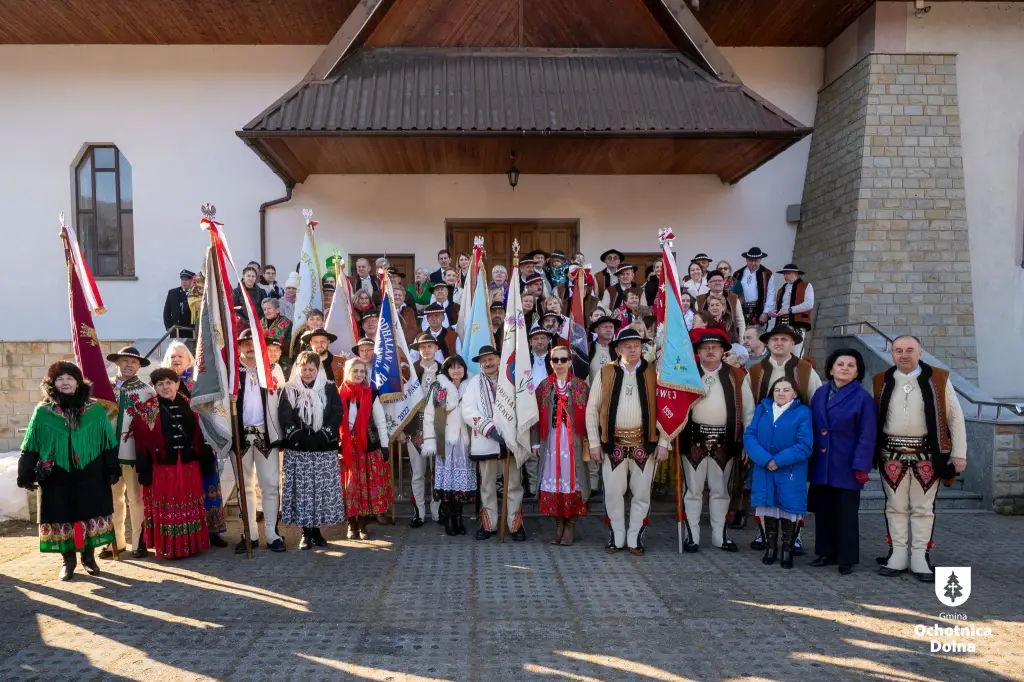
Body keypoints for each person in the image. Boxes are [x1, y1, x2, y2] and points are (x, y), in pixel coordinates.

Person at [874, 335, 967, 583]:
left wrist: (959, 453)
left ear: (920, 353)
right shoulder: (881, 379)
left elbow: (955, 417)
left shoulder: (939, 379)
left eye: (909, 350)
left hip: (928, 454)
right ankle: (898, 555)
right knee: (895, 506)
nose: (904, 355)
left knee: (923, 508)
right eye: (898, 350)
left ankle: (919, 558)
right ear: (892, 354)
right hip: (890, 454)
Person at [17, 362, 120, 580]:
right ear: (52, 383)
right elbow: (31, 443)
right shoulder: (43, 411)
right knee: (62, 515)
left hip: (90, 472)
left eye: (70, 378)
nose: (65, 383)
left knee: (88, 514)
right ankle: (68, 561)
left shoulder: (94, 409)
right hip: (56, 474)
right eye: (60, 379)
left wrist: (112, 467)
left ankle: (88, 558)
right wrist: (24, 471)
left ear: (78, 382)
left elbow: (108, 441)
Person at [586, 328, 671, 556]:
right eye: (627, 346)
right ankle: (617, 536)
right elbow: (592, 410)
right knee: (613, 493)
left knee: (641, 494)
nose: (632, 350)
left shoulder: (654, 373)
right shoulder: (605, 373)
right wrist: (594, 443)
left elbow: (666, 411)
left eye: (636, 345)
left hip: (645, 444)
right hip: (612, 444)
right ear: (617, 349)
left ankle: (635, 538)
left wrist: (664, 442)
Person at [744, 324, 821, 551]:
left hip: (793, 445)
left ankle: (794, 537)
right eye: (775, 339)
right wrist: (749, 445)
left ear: (792, 343)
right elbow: (748, 410)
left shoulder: (806, 371)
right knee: (763, 490)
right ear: (767, 343)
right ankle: (763, 535)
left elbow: (816, 405)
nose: (779, 343)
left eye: (784, 339)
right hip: (763, 446)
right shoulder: (755, 371)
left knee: (793, 492)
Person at [680, 328, 754, 553]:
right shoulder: (688, 374)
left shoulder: (737, 375)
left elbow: (749, 412)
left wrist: (748, 442)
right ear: (698, 352)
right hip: (693, 439)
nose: (710, 351)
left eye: (715, 347)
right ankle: (691, 536)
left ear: (723, 351)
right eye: (705, 348)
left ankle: (719, 536)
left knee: (721, 490)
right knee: (693, 491)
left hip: (726, 440)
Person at [130, 368, 215, 559]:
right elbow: (141, 442)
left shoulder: (191, 405)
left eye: (169, 382)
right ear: (155, 387)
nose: (165, 387)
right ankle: (169, 547)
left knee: (188, 504)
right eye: (160, 384)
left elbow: (201, 434)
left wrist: (205, 457)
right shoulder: (148, 410)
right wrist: (144, 469)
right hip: (163, 467)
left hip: (188, 465)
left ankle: (190, 545)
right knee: (167, 506)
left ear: (177, 384)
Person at [808, 349, 877, 575]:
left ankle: (846, 558)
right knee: (824, 511)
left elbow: (868, 434)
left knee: (846, 514)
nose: (844, 368)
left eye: (850, 365)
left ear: (857, 372)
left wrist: (861, 464)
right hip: (822, 462)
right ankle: (824, 552)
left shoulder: (863, 398)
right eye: (840, 364)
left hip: (847, 463)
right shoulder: (820, 393)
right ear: (831, 369)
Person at [161, 343, 228, 547]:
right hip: (176, 445)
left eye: (180, 356)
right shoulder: (162, 383)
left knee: (209, 485)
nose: (176, 360)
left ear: (189, 359)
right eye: (172, 356)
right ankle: (189, 532)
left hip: (202, 440)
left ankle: (213, 531)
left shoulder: (198, 382)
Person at [743, 378, 813, 569]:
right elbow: (750, 436)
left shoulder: (802, 413)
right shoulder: (763, 409)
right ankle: (771, 547)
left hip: (790, 470)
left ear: (795, 393)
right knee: (769, 507)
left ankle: (787, 549)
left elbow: (805, 445)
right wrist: (766, 460)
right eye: (777, 390)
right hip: (764, 468)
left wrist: (778, 461)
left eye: (786, 390)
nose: (781, 393)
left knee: (788, 508)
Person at [278, 351, 345, 549]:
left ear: (318, 369)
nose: (307, 373)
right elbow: (285, 416)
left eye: (311, 369)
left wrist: (321, 436)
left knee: (320, 491)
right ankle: (305, 533)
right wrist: (300, 438)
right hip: (299, 450)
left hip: (323, 448)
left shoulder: (329, 387)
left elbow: (336, 413)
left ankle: (317, 531)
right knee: (303, 492)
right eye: (304, 369)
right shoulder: (289, 389)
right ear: (297, 369)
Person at [228, 329, 284, 553]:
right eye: (246, 344)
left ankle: (272, 533)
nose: (250, 347)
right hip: (239, 436)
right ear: (239, 347)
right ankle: (249, 534)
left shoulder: (272, 369)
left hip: (266, 434)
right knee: (245, 487)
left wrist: (281, 434)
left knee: (270, 485)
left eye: (254, 343)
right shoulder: (231, 372)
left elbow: (282, 401)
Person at [463, 345, 526, 541]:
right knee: (487, 485)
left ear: (499, 360)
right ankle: (488, 524)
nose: (488, 363)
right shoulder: (473, 384)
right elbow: (467, 410)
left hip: (512, 440)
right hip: (486, 441)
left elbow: (523, 405)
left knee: (514, 484)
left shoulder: (511, 380)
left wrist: (512, 429)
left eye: (491, 359)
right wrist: (490, 429)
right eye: (484, 361)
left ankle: (515, 525)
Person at [532, 346, 590, 546]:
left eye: (563, 359)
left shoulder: (581, 386)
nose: (559, 364)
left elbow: (590, 417)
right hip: (551, 441)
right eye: (555, 360)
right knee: (554, 480)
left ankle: (571, 525)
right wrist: (535, 442)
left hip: (573, 442)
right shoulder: (544, 387)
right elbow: (536, 417)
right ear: (550, 363)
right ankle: (559, 524)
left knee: (572, 479)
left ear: (570, 361)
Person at [105, 346, 155, 559]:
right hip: (108, 453)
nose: (129, 365)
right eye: (125, 360)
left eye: (134, 362)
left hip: (133, 452)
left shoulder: (147, 391)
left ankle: (138, 541)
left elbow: (151, 424)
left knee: (136, 498)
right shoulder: (104, 387)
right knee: (113, 499)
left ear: (139, 367)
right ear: (117, 362)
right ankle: (115, 542)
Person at [338, 357, 393, 540]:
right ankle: (351, 524)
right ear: (348, 372)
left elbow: (380, 421)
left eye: (362, 371)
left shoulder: (371, 393)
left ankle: (362, 524)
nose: (359, 374)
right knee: (350, 487)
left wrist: (384, 445)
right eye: (355, 371)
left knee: (365, 488)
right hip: (346, 448)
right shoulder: (338, 393)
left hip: (367, 446)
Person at [423, 355, 477, 537]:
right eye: (452, 367)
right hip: (445, 440)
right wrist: (430, 440)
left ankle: (459, 517)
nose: (456, 370)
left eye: (459, 366)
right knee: (448, 482)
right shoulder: (438, 386)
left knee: (461, 483)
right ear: (446, 370)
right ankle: (449, 518)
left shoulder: (472, 385)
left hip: (465, 441)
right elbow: (429, 414)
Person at [404, 333, 444, 527]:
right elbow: (403, 403)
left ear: (436, 348)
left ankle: (437, 510)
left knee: (437, 472)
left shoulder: (444, 370)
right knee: (418, 472)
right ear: (418, 350)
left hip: (437, 426)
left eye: (430, 346)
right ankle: (419, 512)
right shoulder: (410, 371)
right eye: (423, 347)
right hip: (416, 427)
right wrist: (403, 430)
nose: (426, 350)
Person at [771, 263, 815, 356]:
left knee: (796, 353)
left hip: (796, 324)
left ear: (796, 274)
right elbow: (778, 307)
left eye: (788, 273)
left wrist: (790, 310)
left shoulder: (806, 285)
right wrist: (773, 312)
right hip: (781, 324)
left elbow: (809, 304)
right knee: (780, 353)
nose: (785, 276)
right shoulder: (781, 290)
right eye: (784, 274)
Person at [734, 246, 776, 327]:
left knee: (756, 334)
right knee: (739, 333)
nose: (753, 263)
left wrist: (766, 312)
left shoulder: (767, 274)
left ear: (760, 260)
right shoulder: (738, 273)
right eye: (750, 260)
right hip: (740, 310)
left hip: (758, 312)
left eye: (756, 261)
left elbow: (771, 294)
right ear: (746, 260)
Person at [163, 269, 195, 339]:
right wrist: (169, 328)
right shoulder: (173, 293)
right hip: (175, 332)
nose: (184, 282)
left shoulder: (196, 293)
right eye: (182, 280)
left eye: (186, 280)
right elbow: (166, 312)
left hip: (190, 332)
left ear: (192, 281)